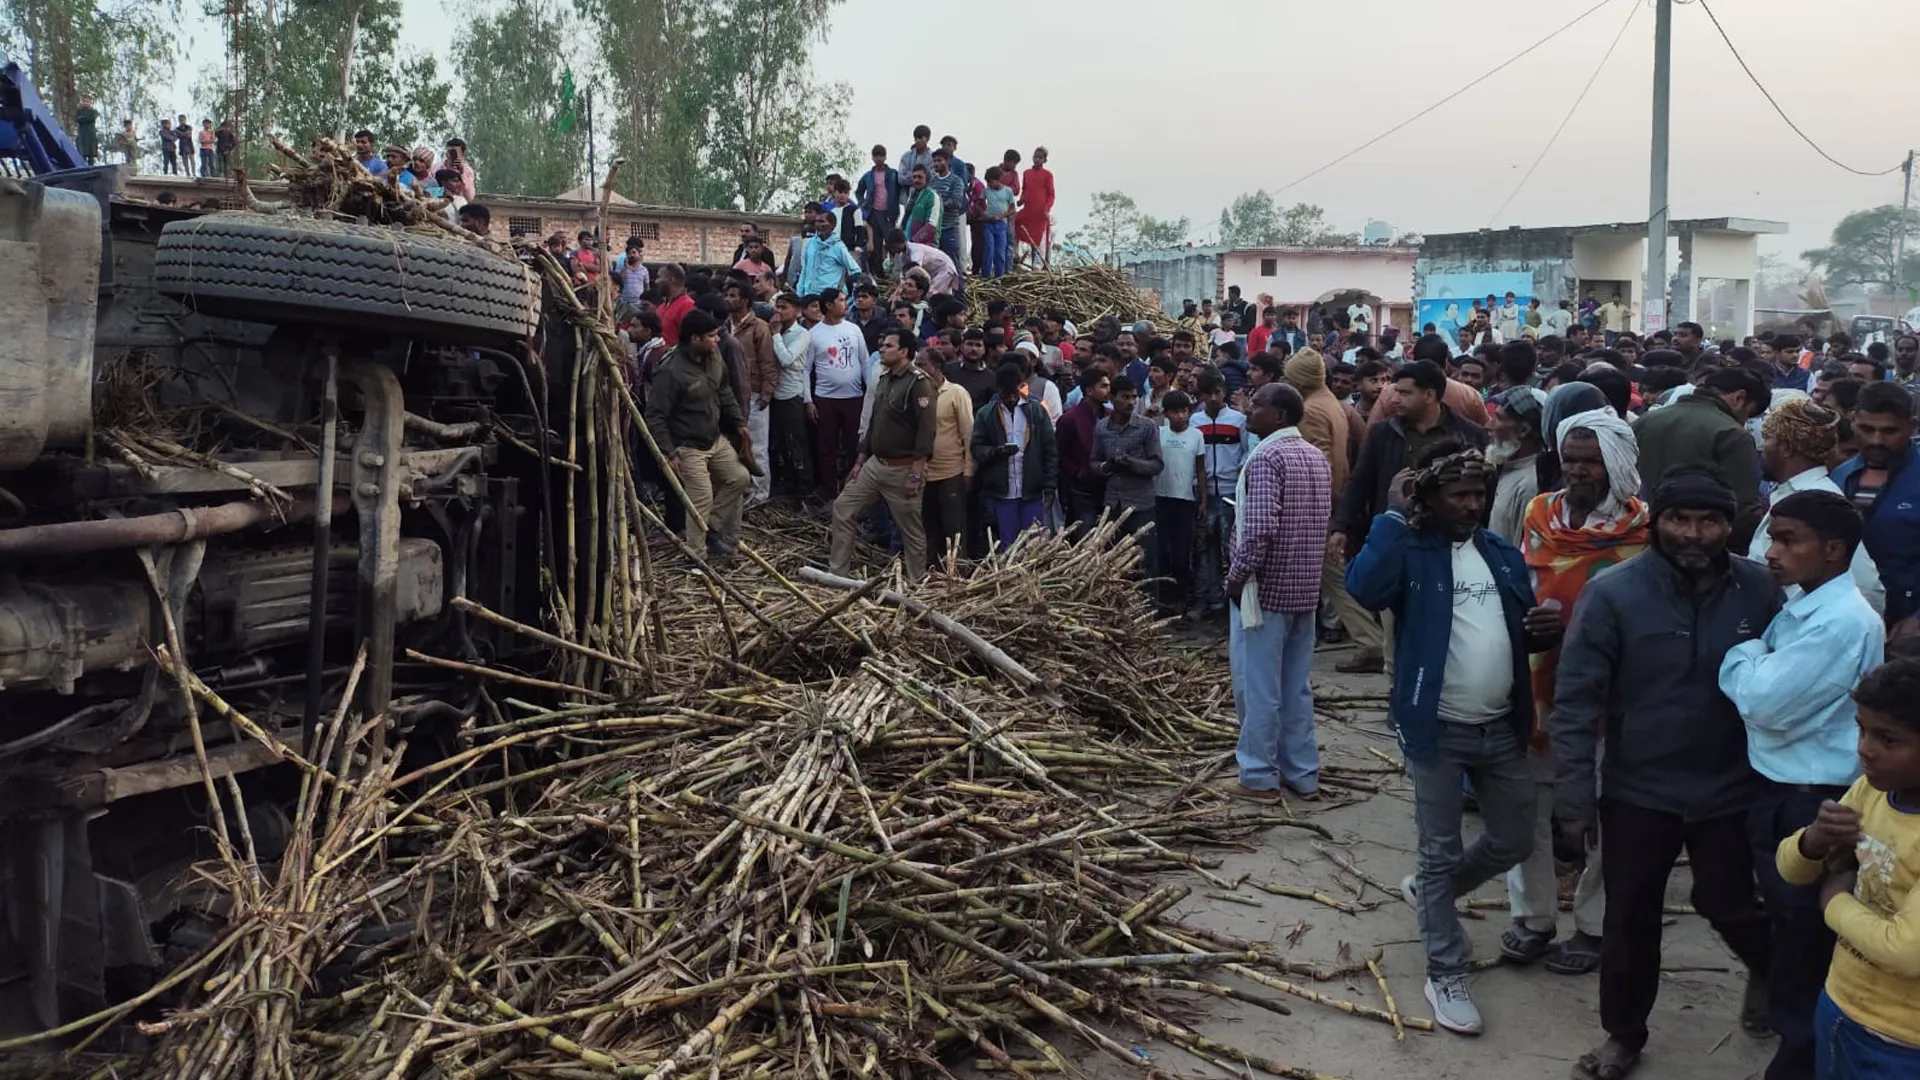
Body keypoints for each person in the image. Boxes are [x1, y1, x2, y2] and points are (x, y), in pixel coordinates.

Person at [1552, 468, 1781, 1080]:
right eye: (1681, 520)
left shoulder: (1761, 590)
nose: (1695, 535)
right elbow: (1575, 703)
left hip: (1731, 786)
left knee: (1730, 903)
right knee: (1629, 915)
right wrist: (1573, 800)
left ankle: (1773, 970)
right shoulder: (1614, 593)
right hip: (1638, 788)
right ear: (1658, 524)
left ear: (1731, 525)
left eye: (1710, 522)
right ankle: (1623, 1036)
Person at [1346, 442, 1563, 1035]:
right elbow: (1363, 589)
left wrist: (1542, 631)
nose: (1471, 505)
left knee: (1514, 839)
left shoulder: (1500, 553)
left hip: (1503, 725)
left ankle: (1431, 892)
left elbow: (1518, 633)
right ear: (1430, 498)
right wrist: (1391, 517)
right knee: (1438, 850)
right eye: (1458, 495)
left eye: (1478, 495)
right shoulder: (1411, 550)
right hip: (1437, 728)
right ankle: (1445, 968)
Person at [1719, 490, 1884, 1080]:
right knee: (1788, 931)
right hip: (1781, 789)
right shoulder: (1803, 605)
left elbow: (1763, 703)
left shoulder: (1841, 622)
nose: (1770, 552)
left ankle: (1798, 1065)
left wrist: (1742, 653)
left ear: (1834, 550)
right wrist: (1758, 658)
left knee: (1803, 943)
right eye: (1772, 536)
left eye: (1789, 540)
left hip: (1810, 796)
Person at [1506, 409, 1650, 977]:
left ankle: (1594, 924)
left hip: (1612, 693)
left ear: (1617, 464)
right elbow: (1524, 581)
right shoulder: (1541, 513)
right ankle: (1533, 916)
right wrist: (1528, 625)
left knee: (1605, 812)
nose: (1581, 472)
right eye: (1572, 461)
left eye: (1592, 462)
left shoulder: (1645, 531)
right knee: (1527, 805)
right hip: (1539, 680)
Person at [1774, 659, 1920, 1078]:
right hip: (1842, 1005)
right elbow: (1790, 869)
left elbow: (1905, 951)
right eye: (1862, 729)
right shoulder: (1872, 792)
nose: (1865, 748)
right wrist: (1814, 840)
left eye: (1888, 739)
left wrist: (1832, 900)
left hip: (1903, 1041)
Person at [1333, 359, 1489, 673]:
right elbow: (1361, 481)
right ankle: (1398, 698)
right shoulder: (1382, 433)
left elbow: (1484, 491)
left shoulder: (1468, 434)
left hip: (1450, 545)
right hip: (1398, 543)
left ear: (1430, 395)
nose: (1394, 399)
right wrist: (1341, 526)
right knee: (1394, 635)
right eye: (1395, 392)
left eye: (1404, 393)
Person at [1226, 382, 1333, 800]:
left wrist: (1236, 577)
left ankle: (1257, 775)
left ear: (1281, 416)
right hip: (1304, 589)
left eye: (1258, 406)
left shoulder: (1267, 457)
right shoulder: (1314, 457)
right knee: (1295, 686)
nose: (1250, 412)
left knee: (1258, 688)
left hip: (1264, 592)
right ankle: (1302, 773)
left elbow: (1260, 529)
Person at [1755, 400, 1885, 615]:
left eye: (1768, 439)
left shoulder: (1819, 501)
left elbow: (1868, 587)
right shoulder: (1786, 494)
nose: (1761, 447)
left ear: (1786, 448)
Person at [642, 310, 752, 559]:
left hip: (714, 438)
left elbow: (723, 390)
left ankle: (711, 527)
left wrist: (738, 423)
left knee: (740, 478)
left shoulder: (713, 357)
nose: (717, 340)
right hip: (687, 446)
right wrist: (669, 452)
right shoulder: (671, 371)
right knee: (700, 499)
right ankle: (696, 556)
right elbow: (655, 415)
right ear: (695, 339)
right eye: (712, 336)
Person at [830, 328, 934, 582]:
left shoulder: (918, 383)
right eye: (882, 345)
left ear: (904, 352)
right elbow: (876, 421)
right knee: (843, 507)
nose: (882, 349)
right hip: (875, 464)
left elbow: (926, 430)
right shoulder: (885, 378)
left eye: (888, 345)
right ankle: (837, 574)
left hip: (904, 468)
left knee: (910, 530)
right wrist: (859, 461)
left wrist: (917, 471)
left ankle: (915, 581)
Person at [1632, 367, 1768, 549]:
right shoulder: (1732, 433)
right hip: (1700, 547)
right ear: (1739, 398)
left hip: (1639, 537)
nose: (1746, 422)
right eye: (1749, 414)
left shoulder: (1645, 420)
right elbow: (1742, 509)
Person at [1832, 382, 1920, 634]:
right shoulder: (1840, 477)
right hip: (1848, 622)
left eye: (1889, 431)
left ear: (1912, 426)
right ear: (1852, 421)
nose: (1876, 440)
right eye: (1867, 429)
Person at [972, 362, 1058, 549]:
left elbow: (1050, 450)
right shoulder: (986, 414)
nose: (1011, 398)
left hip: (1032, 490)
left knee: (1034, 544)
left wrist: (1050, 485)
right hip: (1003, 491)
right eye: (1006, 394)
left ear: (1021, 386)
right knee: (1008, 544)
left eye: (1014, 392)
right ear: (998, 389)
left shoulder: (1036, 411)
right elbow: (977, 448)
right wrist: (996, 452)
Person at [805, 288, 869, 503]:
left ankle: (853, 490)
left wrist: (868, 393)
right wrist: (808, 400)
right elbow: (805, 369)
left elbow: (864, 361)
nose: (846, 303)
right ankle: (829, 490)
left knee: (854, 444)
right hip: (825, 398)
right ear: (829, 305)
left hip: (854, 396)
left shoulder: (854, 330)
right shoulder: (814, 334)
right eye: (841, 300)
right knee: (827, 446)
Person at [1193, 372, 1249, 617]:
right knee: (1205, 546)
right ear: (1202, 395)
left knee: (1231, 546)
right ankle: (1211, 597)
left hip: (1230, 492)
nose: (1214, 398)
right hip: (1203, 492)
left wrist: (1240, 470)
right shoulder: (1195, 421)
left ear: (1224, 392)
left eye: (1218, 392)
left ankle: (1234, 596)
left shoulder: (1239, 421)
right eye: (1208, 394)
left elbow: (1247, 451)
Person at [915, 347, 973, 563]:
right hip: (923, 474)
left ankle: (956, 573)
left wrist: (968, 471)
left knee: (954, 528)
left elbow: (968, 433)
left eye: (922, 365)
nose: (917, 369)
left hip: (951, 472)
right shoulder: (917, 392)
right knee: (929, 528)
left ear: (936, 367)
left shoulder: (956, 393)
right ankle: (931, 575)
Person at [724, 282, 776, 507]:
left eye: (733, 295)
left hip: (754, 392)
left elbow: (768, 362)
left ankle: (760, 493)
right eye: (726, 295)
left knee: (757, 445)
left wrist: (767, 392)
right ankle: (744, 488)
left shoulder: (759, 327)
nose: (727, 299)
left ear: (745, 300)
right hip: (733, 392)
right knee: (737, 443)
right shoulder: (726, 326)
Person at [1091, 376, 1163, 539]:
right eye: (1125, 397)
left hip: (1141, 504)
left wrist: (1131, 462)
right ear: (1111, 398)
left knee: (1143, 556)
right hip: (1112, 504)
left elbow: (1157, 465)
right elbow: (1094, 462)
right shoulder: (1102, 427)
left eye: (1133, 397)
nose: (1131, 402)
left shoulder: (1147, 427)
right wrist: (1106, 467)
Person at [1153, 390, 1204, 614]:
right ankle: (1162, 597)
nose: (1180, 416)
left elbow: (1200, 471)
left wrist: (1203, 500)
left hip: (1185, 500)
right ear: (1166, 414)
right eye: (1175, 412)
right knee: (1161, 550)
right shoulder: (1158, 433)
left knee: (1182, 553)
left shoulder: (1196, 436)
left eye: (1184, 411)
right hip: (1160, 498)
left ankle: (1181, 598)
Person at [1485, 388, 1549, 547]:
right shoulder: (1505, 468)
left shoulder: (1529, 485)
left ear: (1524, 430)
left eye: (1499, 418)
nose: (1489, 424)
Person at [1056, 369, 1111, 533]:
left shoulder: (1110, 416)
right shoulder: (1070, 419)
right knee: (1083, 538)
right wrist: (1079, 472)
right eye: (1104, 386)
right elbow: (1060, 454)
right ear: (1089, 390)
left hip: (1107, 489)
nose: (1109, 390)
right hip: (1081, 491)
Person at [794, 212, 863, 297]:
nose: (818, 224)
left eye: (822, 221)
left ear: (832, 226)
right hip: (808, 297)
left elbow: (855, 270)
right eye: (817, 221)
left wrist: (841, 286)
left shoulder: (838, 246)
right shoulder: (810, 244)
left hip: (827, 299)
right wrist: (799, 294)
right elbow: (804, 271)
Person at [926, 150, 968, 277]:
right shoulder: (932, 182)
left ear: (948, 162)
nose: (936, 164)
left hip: (950, 229)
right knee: (935, 266)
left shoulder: (956, 181)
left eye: (939, 160)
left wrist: (937, 202)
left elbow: (956, 203)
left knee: (953, 264)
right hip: (934, 231)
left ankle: (958, 295)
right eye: (934, 161)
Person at [1014, 146, 1054, 268]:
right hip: (1028, 210)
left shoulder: (1048, 175)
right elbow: (1025, 189)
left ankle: (1038, 266)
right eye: (1035, 156)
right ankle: (1014, 254)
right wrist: (1021, 199)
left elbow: (1051, 194)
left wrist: (1047, 209)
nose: (1037, 159)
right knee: (1013, 222)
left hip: (1040, 212)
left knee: (1040, 239)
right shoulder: (1027, 173)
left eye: (1040, 158)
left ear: (1044, 160)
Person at [980, 166, 1015, 278]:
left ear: (998, 179)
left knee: (1000, 251)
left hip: (1001, 224)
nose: (989, 184)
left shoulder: (1007, 191)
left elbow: (1013, 208)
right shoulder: (986, 191)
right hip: (988, 224)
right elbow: (979, 204)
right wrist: (984, 214)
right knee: (989, 249)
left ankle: (999, 276)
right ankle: (986, 275)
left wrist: (1001, 216)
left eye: (991, 182)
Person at [655, 263, 695, 347]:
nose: (656, 281)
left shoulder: (687, 306)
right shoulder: (661, 307)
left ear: (671, 280)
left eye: (659, 277)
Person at [74, 95, 99, 165]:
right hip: (82, 136)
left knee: (91, 157)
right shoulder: (79, 111)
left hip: (91, 136)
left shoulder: (94, 112)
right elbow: (78, 119)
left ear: (91, 102)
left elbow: (91, 118)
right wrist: (83, 118)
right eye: (84, 101)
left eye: (87, 101)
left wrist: (83, 118)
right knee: (81, 156)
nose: (85, 103)